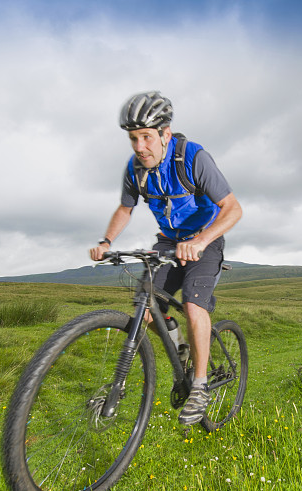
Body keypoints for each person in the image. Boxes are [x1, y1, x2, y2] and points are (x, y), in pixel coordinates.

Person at [89, 91, 242, 425]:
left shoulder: (193, 158)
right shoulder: (135, 169)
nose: (140, 146)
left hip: (205, 241)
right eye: (133, 139)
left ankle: (199, 385)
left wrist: (201, 240)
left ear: (165, 134)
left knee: (192, 303)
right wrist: (106, 240)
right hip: (168, 242)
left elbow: (233, 208)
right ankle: (180, 345)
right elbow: (125, 208)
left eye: (146, 137)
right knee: (145, 308)